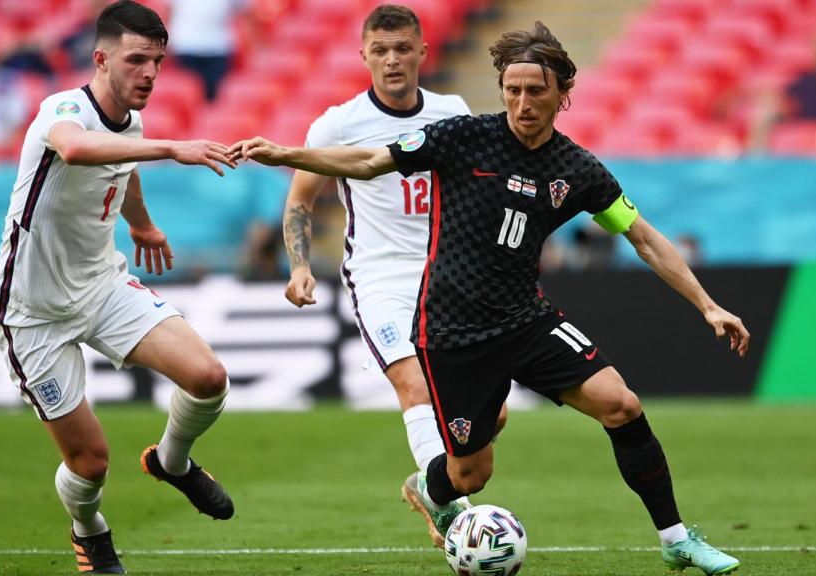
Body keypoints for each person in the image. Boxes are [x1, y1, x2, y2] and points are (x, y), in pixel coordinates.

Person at [230, 22, 750, 576]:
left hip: (527, 319)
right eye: (513, 90)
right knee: (469, 476)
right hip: (454, 333)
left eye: (536, 91)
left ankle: (675, 539)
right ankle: (430, 488)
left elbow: (642, 236)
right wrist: (288, 153)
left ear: (562, 94)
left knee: (621, 404)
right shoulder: (463, 137)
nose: (523, 103)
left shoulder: (577, 169)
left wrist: (707, 304)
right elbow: (369, 162)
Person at [0, 3, 237, 574]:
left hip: (101, 286)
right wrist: (175, 147)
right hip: (31, 310)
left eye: (157, 61)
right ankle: (89, 529)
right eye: (136, 60)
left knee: (208, 378)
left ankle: (173, 463)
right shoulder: (64, 109)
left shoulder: (132, 121)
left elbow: (122, 168)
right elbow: (77, 148)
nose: (149, 73)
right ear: (101, 59)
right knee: (90, 463)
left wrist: (141, 223)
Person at [279, 4, 507, 549]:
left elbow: (477, 192)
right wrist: (300, 266)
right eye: (380, 50)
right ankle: (457, 517)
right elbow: (300, 200)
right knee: (415, 387)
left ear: (423, 52)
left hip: (450, 279)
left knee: (490, 414)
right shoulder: (338, 124)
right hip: (380, 278)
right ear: (363, 57)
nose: (392, 60)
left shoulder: (452, 112)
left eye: (403, 48)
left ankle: (427, 485)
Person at [167, 0, 250, 101]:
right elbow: (169, 11)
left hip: (218, 48)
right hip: (185, 46)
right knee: (186, 94)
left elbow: (245, 11)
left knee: (216, 96)